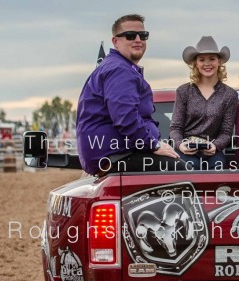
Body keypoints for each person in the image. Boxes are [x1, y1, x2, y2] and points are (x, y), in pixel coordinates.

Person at [76, 14, 181, 176]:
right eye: (130, 35)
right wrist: (153, 145)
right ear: (115, 41)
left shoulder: (119, 67)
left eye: (143, 35)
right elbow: (125, 117)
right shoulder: (119, 70)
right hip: (115, 155)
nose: (138, 39)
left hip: (117, 153)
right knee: (183, 170)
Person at [169, 36, 237, 170]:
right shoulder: (184, 91)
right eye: (202, 59)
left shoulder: (230, 95)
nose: (207, 63)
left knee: (217, 166)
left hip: (213, 151)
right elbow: (175, 127)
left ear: (219, 62)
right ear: (195, 63)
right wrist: (180, 145)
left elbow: (226, 131)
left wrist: (216, 146)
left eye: (212, 58)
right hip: (186, 150)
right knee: (190, 166)